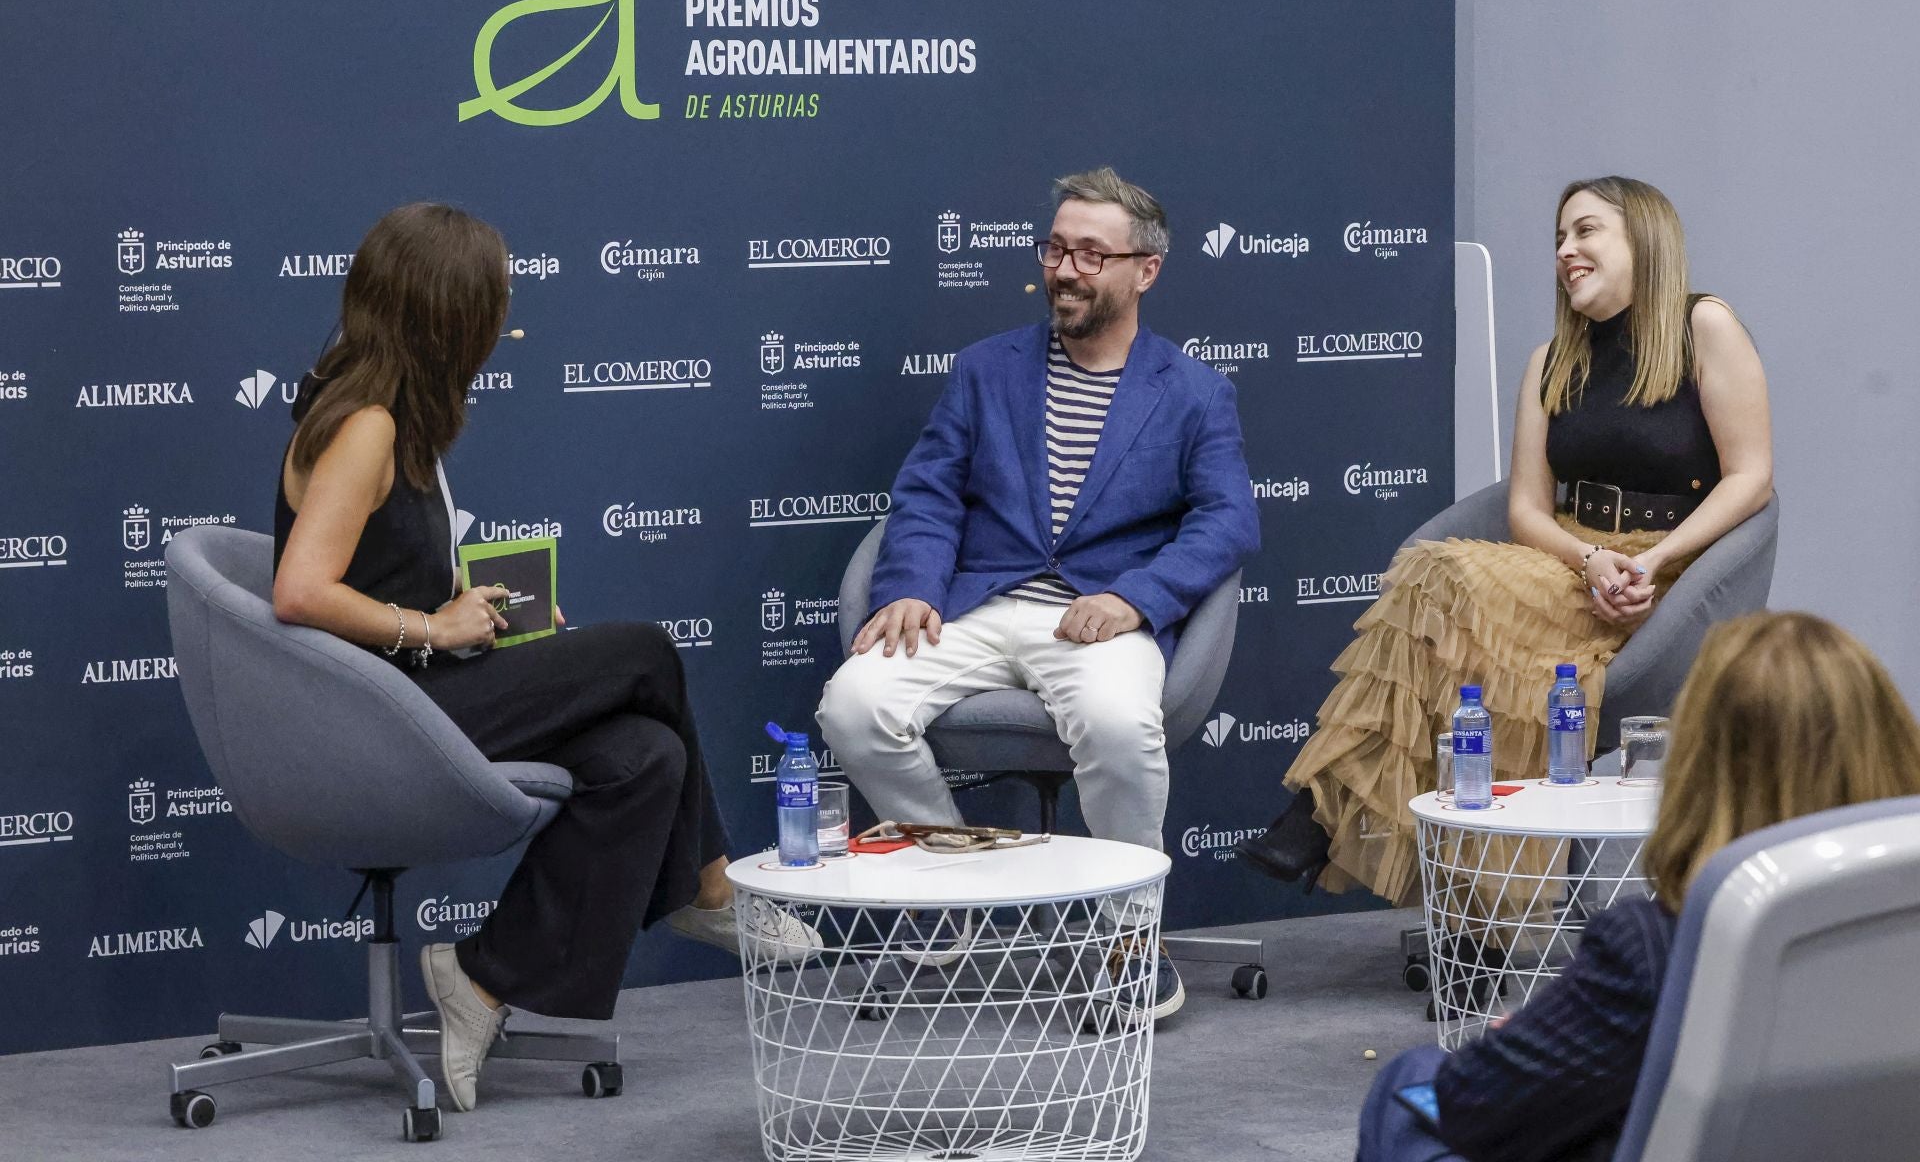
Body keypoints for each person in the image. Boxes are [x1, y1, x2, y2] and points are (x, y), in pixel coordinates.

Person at [271, 202, 814, 1113]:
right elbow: (299, 590)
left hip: (419, 687)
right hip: (386, 711)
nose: (504, 318)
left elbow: (392, 565)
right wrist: (437, 629)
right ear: (448, 312)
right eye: (494, 300)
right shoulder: (364, 423)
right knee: (646, 652)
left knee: (647, 758)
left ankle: (481, 977)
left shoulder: (398, 412)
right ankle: (709, 885)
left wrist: (485, 604)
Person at [1237, 176, 1773, 904]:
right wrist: (1588, 560)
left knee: (1442, 586)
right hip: (1567, 566)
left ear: (1644, 237)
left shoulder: (1703, 325)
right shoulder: (1551, 360)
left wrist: (1650, 560)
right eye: (1559, 238)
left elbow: (1752, 478)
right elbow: (1526, 509)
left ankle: (1324, 808)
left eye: (1586, 231)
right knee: (1449, 604)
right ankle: (1471, 900)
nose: (1566, 251)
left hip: (1668, 581)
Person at [815, 167, 1260, 1021]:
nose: (1066, 269)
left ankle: (1132, 935)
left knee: (1118, 725)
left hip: (1099, 616)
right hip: (980, 604)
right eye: (1056, 249)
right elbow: (929, 492)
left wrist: (1138, 598)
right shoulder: (987, 371)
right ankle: (956, 897)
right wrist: (908, 586)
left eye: (1092, 254)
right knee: (854, 703)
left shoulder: (1196, 393)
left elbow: (1227, 522)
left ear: (1146, 270)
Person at [1354, 611, 1920, 1162]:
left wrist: (1528, 1042)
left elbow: (1469, 1107)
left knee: (1409, 1085)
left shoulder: (1655, 950)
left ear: (1696, 770)